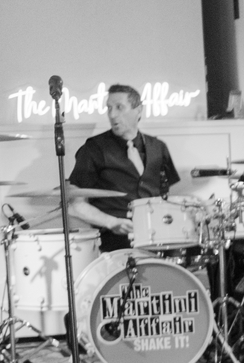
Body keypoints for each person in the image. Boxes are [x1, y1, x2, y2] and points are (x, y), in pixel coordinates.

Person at [67, 84, 179, 251]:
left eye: (119, 107)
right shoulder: (93, 149)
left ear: (138, 110)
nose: (112, 115)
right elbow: (76, 205)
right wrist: (111, 222)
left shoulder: (158, 147)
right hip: (113, 242)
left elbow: (166, 197)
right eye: (109, 108)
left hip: (156, 236)